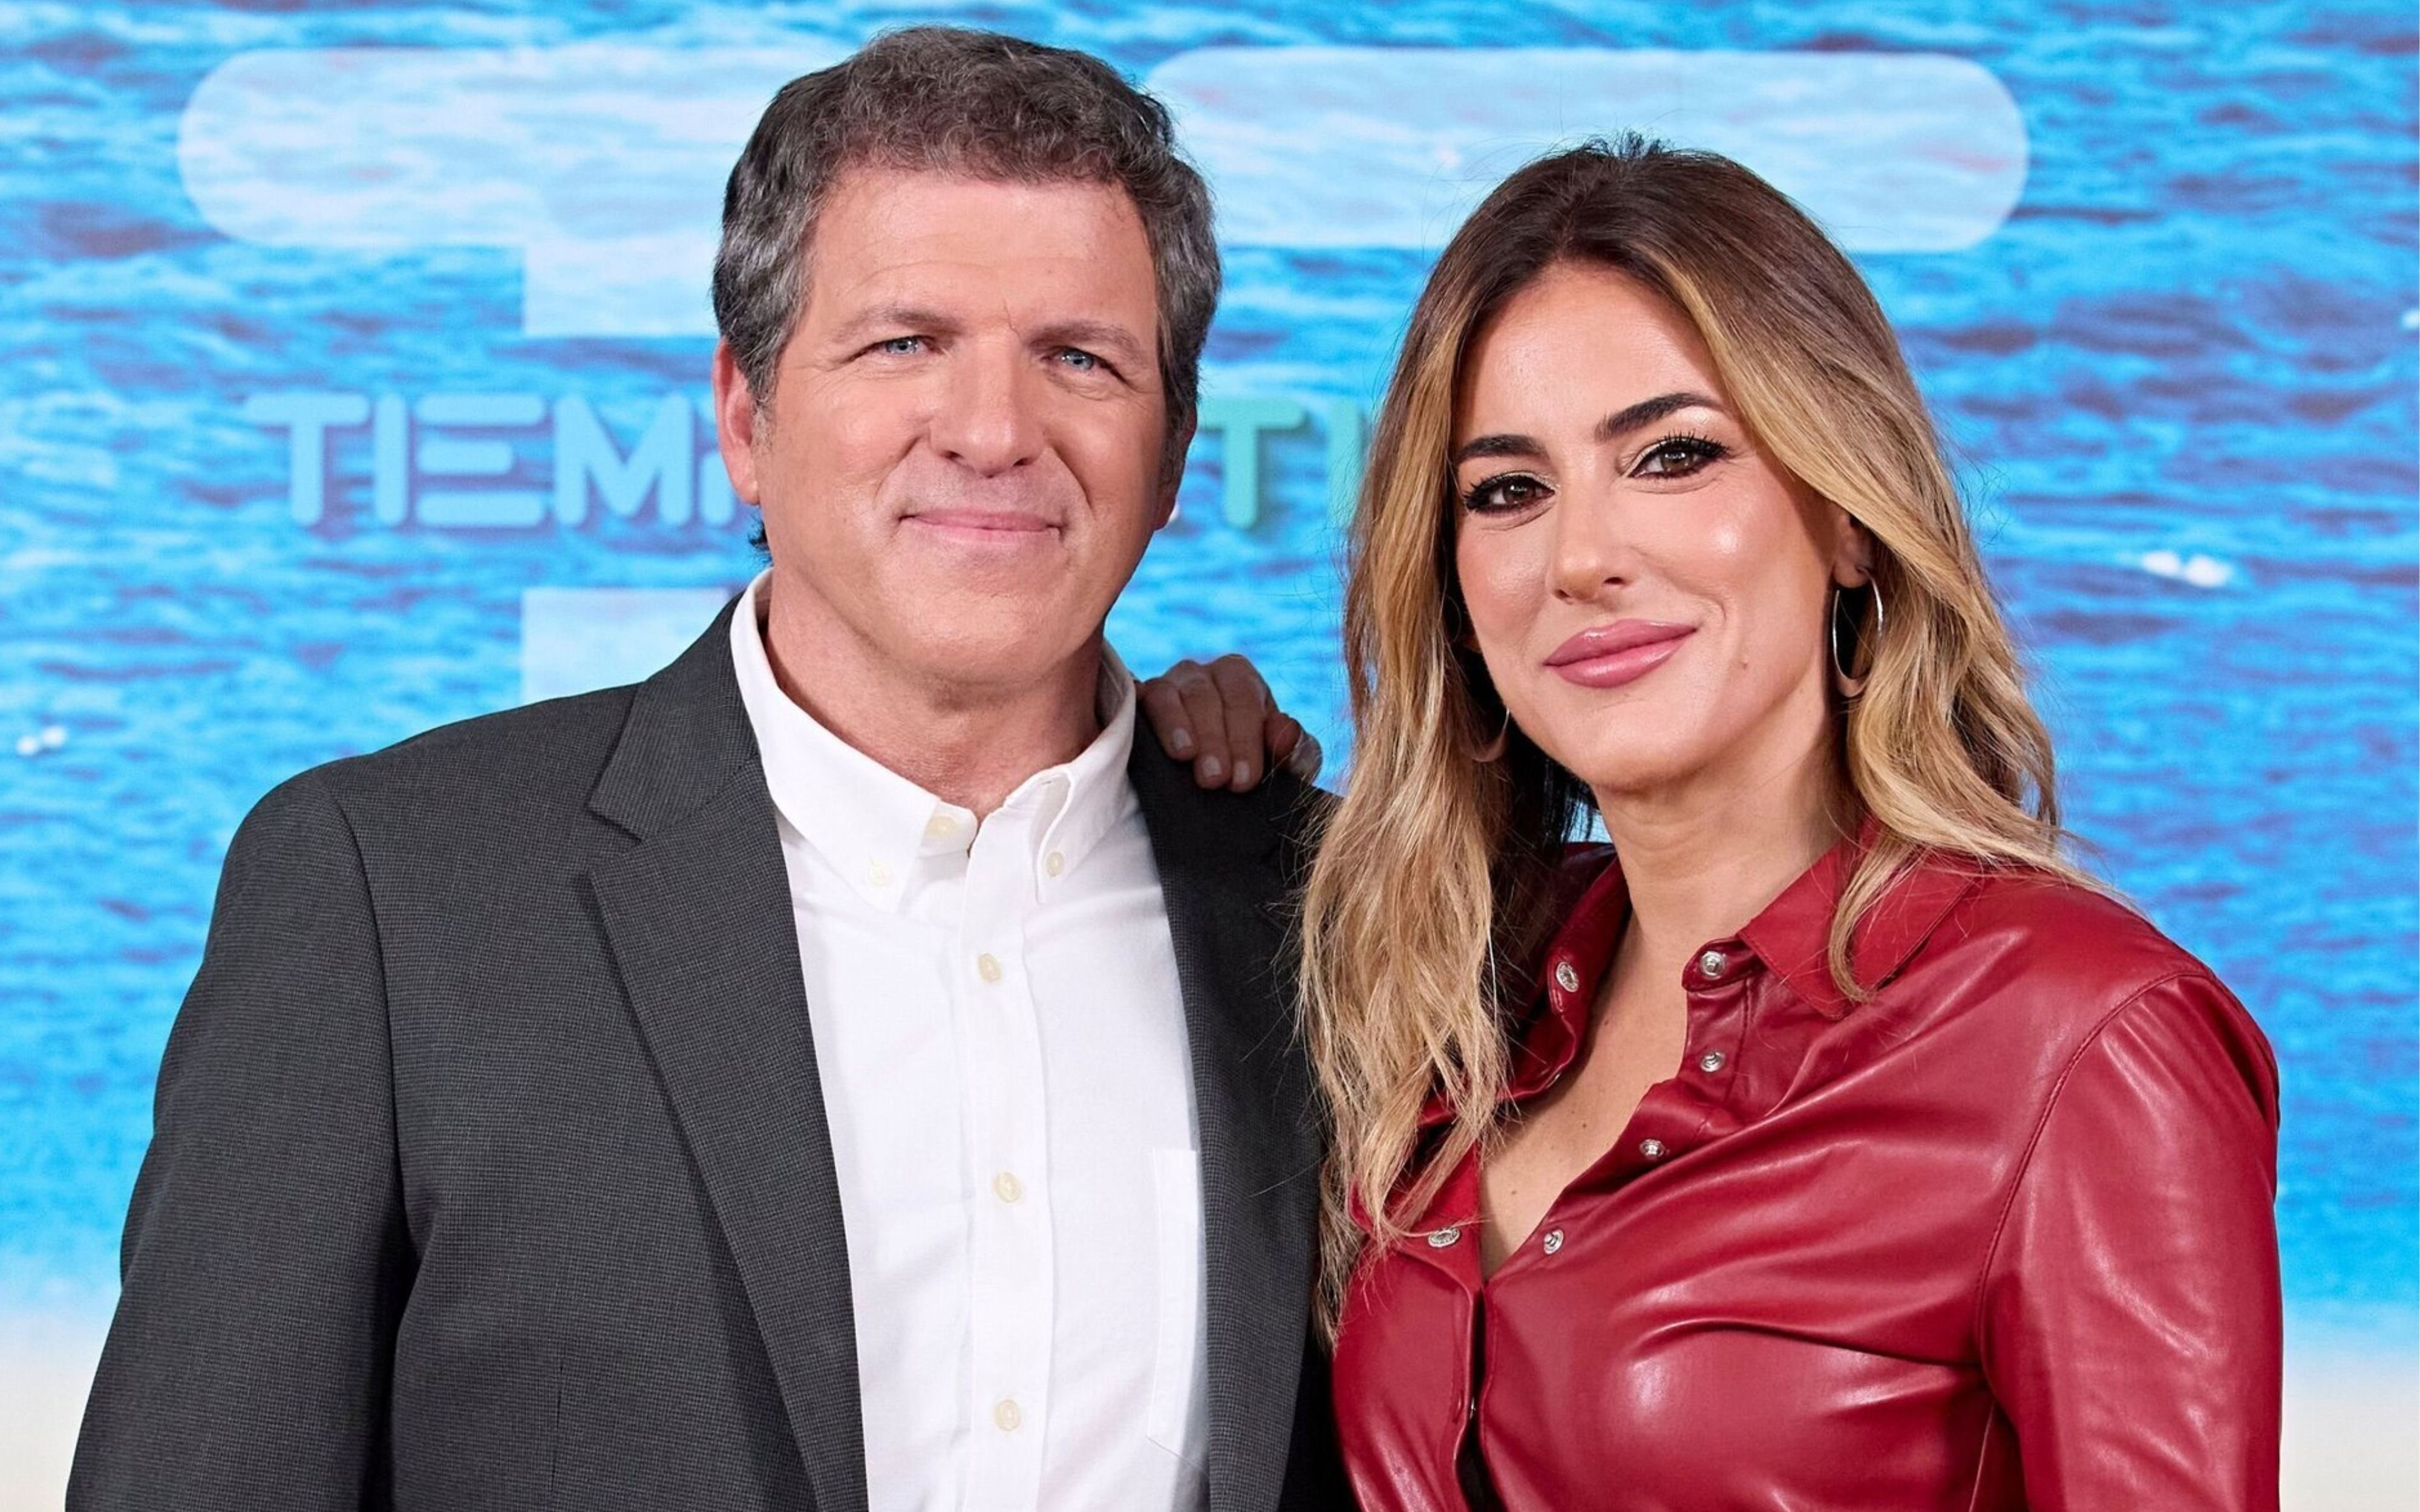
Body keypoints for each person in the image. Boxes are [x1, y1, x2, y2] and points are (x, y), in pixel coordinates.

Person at [70, 28, 1342, 1512]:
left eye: (1078, 357)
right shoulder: (389, 896)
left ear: (1171, 453)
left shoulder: (1335, 912)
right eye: (904, 343)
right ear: (746, 418)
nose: (995, 430)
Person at [1282, 136, 2281, 1510]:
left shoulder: (2080, 1036)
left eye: (1674, 456)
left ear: (1849, 515)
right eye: (1507, 489)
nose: (1582, 558)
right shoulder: (1452, 983)